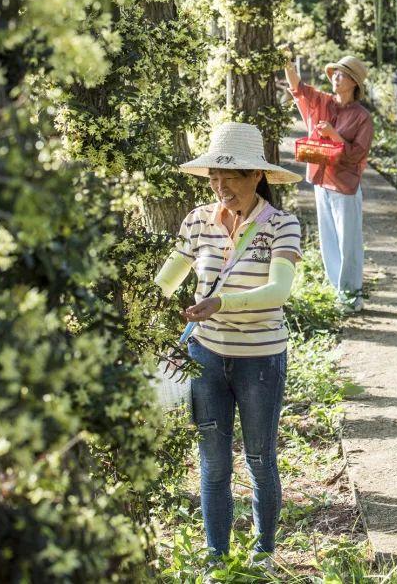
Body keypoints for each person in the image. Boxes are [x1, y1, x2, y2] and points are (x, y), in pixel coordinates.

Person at [153, 122, 303, 570]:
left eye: (231, 176)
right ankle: (216, 558)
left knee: (260, 457)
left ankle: (264, 553)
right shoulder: (197, 220)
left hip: (260, 361)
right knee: (213, 462)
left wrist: (221, 301)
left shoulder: (283, 224)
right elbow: (165, 280)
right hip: (206, 357)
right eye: (214, 177)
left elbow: (278, 292)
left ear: (257, 175)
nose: (220, 186)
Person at [284, 54, 373, 311]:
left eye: (342, 74)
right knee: (329, 242)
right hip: (321, 181)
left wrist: (334, 136)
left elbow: (358, 154)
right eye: (334, 72)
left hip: (345, 185)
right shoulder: (323, 102)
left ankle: (352, 296)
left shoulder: (362, 117)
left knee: (349, 243)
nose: (336, 76)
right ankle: (339, 293)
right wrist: (287, 65)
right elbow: (299, 90)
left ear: (354, 82)